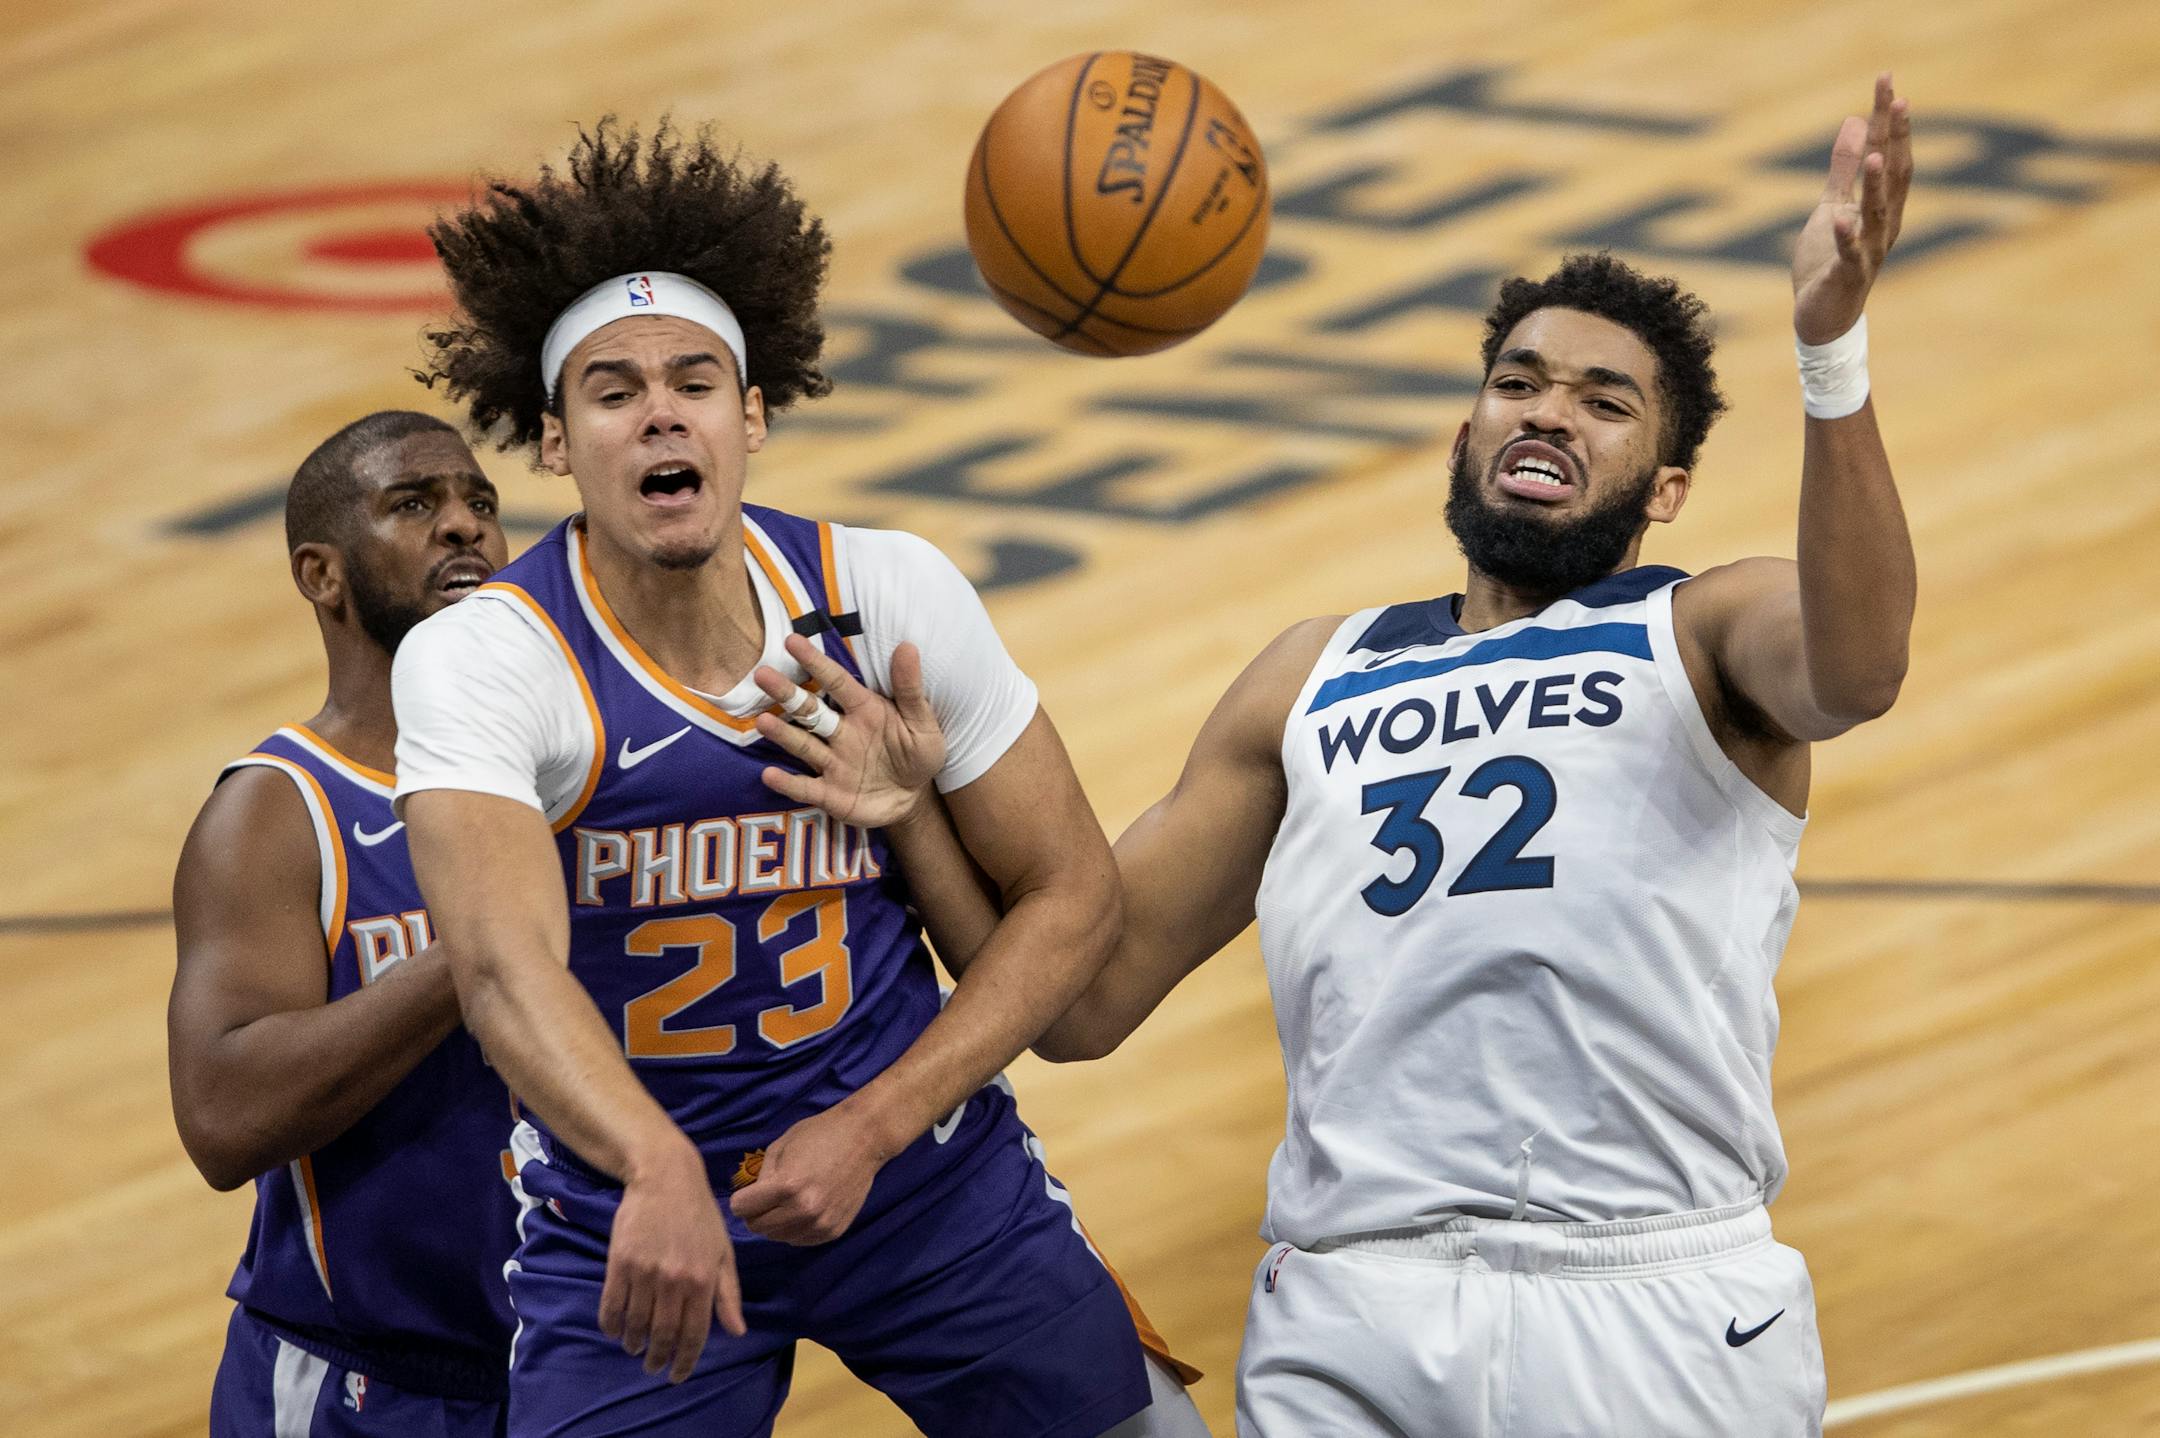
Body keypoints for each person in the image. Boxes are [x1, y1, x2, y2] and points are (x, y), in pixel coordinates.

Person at [767, 76, 1919, 1438]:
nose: (1549, 412)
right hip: (1354, 1305)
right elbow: (1082, 1000)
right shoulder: (1310, 673)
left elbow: (1861, 663)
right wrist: (914, 818)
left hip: (1649, 1289)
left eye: (1606, 403)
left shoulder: (1702, 625)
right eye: (1517, 382)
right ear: (1466, 432)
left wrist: (1829, 352)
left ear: (1665, 488)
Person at [392, 119, 1205, 1438]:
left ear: (751, 415)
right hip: (636, 1216)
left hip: (920, 1179)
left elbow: (1076, 895)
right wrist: (655, 1161)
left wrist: (878, 1125)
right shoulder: (494, 657)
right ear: (553, 445)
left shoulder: (882, 591)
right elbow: (501, 971)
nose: (659, 407)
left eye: (695, 380)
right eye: (612, 390)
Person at [169, 411, 516, 1435]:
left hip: (592, 1361)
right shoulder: (281, 809)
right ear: (322, 575)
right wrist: (479, 949)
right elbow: (224, 1119)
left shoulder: (572, 759)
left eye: (479, 503)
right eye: (415, 504)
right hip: (371, 1392)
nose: (464, 527)